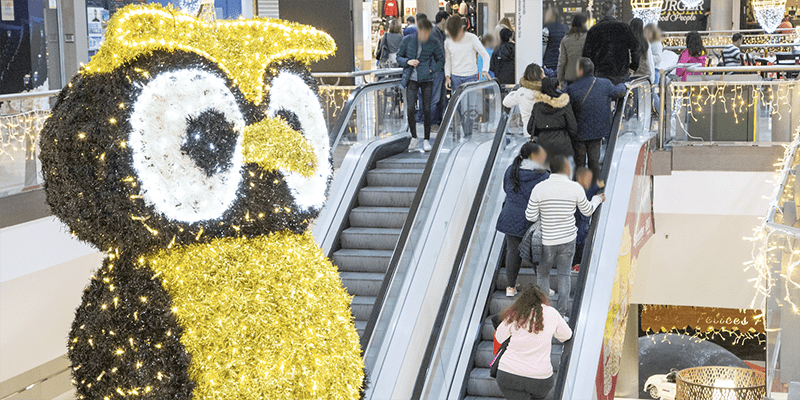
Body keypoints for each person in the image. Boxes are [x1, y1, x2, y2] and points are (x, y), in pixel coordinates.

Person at [525, 155, 605, 315]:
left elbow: (530, 216)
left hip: (546, 239)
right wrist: (597, 199)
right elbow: (587, 211)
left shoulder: (539, 188)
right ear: (567, 169)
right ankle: (561, 314)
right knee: (564, 275)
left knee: (543, 275)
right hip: (568, 240)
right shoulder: (575, 188)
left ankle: (545, 314)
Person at [494, 285, 572, 399]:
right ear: (542, 297)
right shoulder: (552, 313)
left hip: (509, 373)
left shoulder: (516, 313)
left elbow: (499, 337)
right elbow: (567, 335)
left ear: (521, 299)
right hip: (541, 378)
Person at [496, 143, 550, 297]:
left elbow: (506, 189)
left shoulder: (511, 170)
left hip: (510, 216)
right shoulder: (543, 176)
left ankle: (510, 288)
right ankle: (543, 288)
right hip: (532, 220)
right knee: (536, 253)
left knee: (512, 252)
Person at [565, 58, 627, 180]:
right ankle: (595, 184)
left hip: (579, 132)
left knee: (579, 162)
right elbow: (619, 92)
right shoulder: (605, 84)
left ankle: (580, 185)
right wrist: (624, 85)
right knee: (594, 161)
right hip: (597, 131)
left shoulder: (572, 88)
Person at [397, 18, 444, 152]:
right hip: (411, 79)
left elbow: (441, 60)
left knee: (427, 109)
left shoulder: (432, 41)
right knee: (410, 109)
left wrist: (431, 69)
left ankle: (426, 139)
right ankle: (414, 137)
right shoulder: (407, 40)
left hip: (426, 79)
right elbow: (398, 57)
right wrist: (408, 61)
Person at [445, 16, 491, 137]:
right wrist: (447, 76)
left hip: (470, 76)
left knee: (470, 108)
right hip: (455, 77)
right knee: (458, 106)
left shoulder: (471, 38)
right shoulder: (448, 41)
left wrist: (484, 70)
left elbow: (485, 55)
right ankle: (461, 131)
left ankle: (468, 134)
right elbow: (448, 60)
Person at [582, 1, 639, 84]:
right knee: (622, 91)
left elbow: (586, 54)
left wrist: (591, 72)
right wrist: (633, 66)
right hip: (621, 72)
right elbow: (636, 48)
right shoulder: (624, 27)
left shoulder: (593, 30)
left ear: (601, 12)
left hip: (601, 74)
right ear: (614, 12)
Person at [526, 77, 577, 161]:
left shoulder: (537, 106)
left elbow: (530, 128)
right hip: (562, 142)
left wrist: (541, 132)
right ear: (556, 87)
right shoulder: (564, 104)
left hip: (543, 143)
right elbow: (573, 127)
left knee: (545, 167)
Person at [572, 167, 603, 266]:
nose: (590, 182)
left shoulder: (581, 189)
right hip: (577, 227)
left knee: (581, 245)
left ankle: (576, 263)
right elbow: (586, 195)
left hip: (581, 227)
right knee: (576, 246)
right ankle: (574, 263)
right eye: (588, 179)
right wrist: (596, 186)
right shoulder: (578, 190)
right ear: (580, 178)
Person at [503, 63, 544, 130]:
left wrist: (514, 91)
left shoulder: (521, 92)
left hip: (528, 130)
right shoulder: (546, 91)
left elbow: (506, 102)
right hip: (544, 130)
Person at [557, 13, 588, 85]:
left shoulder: (566, 39)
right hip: (586, 73)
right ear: (583, 23)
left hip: (570, 75)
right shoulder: (589, 37)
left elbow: (562, 61)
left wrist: (560, 79)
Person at [542, 3, 568, 78]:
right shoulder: (565, 28)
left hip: (549, 63)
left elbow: (543, 48)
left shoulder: (546, 29)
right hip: (562, 62)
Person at [630, 18, 656, 83]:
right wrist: (652, 78)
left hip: (630, 74)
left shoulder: (627, 40)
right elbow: (649, 60)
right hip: (643, 75)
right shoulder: (645, 41)